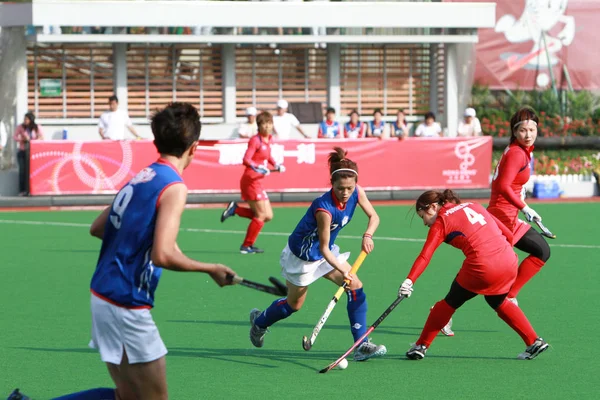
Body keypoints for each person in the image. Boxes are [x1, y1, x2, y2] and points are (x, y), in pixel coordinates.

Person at [51, 103, 237, 400]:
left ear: (155, 142)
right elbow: (161, 255)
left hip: (103, 294)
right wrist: (209, 268)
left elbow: (99, 227)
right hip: (126, 303)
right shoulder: (175, 186)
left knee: (127, 396)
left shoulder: (144, 174)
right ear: (195, 148)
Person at [248, 147, 387, 362]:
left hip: (326, 252)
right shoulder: (324, 208)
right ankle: (259, 322)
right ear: (332, 184)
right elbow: (322, 248)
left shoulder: (357, 191)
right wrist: (343, 269)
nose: (346, 193)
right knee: (294, 305)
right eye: (341, 188)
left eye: (350, 188)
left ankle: (361, 344)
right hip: (302, 257)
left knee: (355, 285)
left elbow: (374, 216)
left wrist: (368, 234)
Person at [399, 190, 549, 361]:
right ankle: (534, 341)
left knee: (450, 302)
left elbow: (425, 256)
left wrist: (409, 280)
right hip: (509, 260)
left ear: (433, 207)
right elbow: (508, 234)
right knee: (497, 300)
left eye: (423, 216)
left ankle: (421, 346)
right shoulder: (474, 205)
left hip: (482, 266)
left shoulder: (441, 222)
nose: (425, 223)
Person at [488, 106, 551, 305]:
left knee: (542, 251)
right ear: (514, 132)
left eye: (532, 130)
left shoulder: (520, 151)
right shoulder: (517, 153)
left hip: (510, 218)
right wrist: (525, 207)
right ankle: (443, 312)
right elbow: (504, 186)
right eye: (523, 130)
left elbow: (508, 185)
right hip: (501, 218)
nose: (528, 135)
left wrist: (520, 201)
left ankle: (510, 296)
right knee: (485, 276)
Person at [221, 111, 285, 254]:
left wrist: (276, 165)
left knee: (268, 216)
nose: (268, 126)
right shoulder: (255, 140)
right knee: (261, 215)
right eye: (265, 124)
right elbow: (246, 159)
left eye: (270, 123)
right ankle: (246, 246)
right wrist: (258, 168)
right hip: (250, 180)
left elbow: (268, 156)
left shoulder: (269, 139)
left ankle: (235, 209)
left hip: (258, 181)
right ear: (259, 125)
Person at [13, 112, 44, 196]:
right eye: (24, 119)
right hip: (23, 151)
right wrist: (21, 139)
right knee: (22, 171)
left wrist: (34, 140)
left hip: (32, 153)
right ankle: (22, 190)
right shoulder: (21, 127)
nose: (25, 121)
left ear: (31, 120)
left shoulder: (37, 127)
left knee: (31, 171)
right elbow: (15, 137)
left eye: (27, 119)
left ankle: (31, 189)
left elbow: (41, 137)